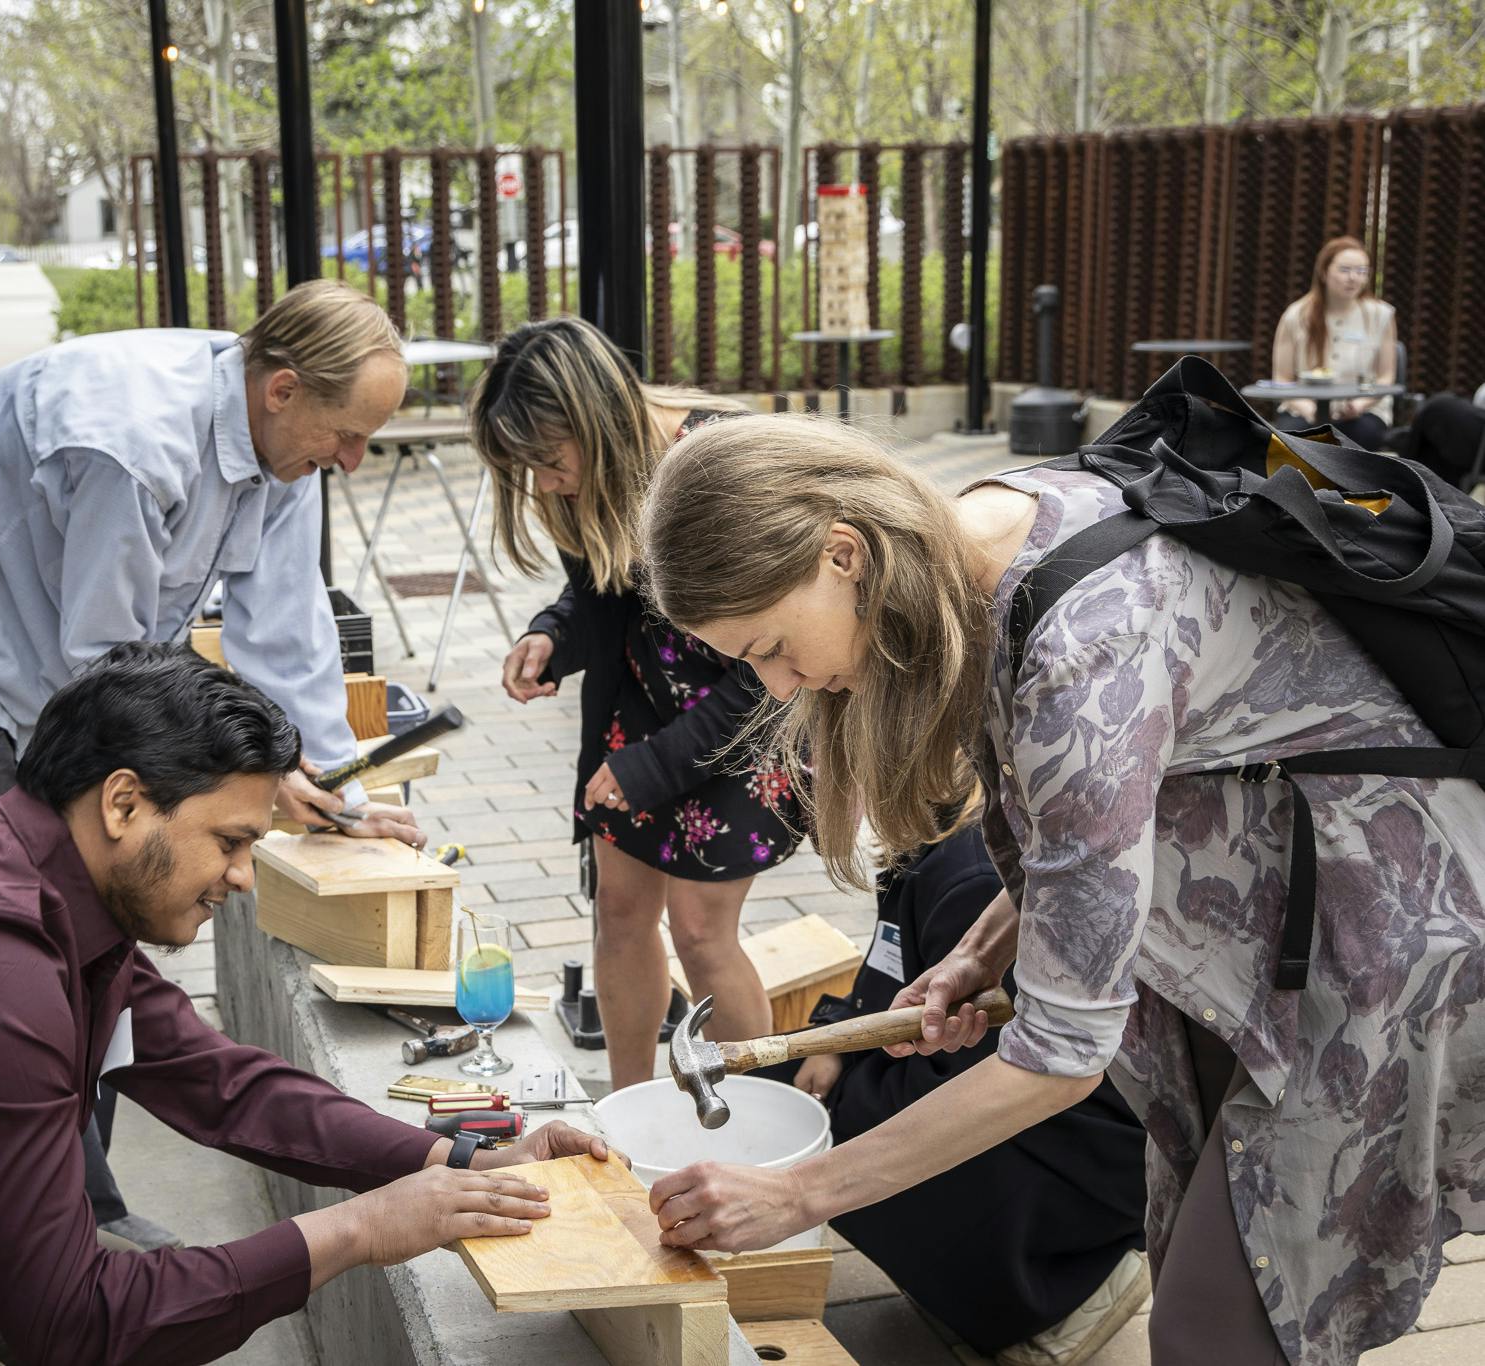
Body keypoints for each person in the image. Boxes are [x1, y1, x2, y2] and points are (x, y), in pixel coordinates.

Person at [633, 414, 1485, 1365]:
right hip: (1253, 908)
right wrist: (979, 950)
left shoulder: (1085, 647)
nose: (782, 688)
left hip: (1379, 937)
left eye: (768, 646)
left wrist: (796, 1194)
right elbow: (1093, 827)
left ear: (841, 553)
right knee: (1221, 1280)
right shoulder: (981, 528)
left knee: (1218, 1325)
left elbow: (1060, 1059)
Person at [0, 644, 611, 1366]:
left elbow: (217, 1081)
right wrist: (359, 1230)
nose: (243, 879)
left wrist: (464, 1155)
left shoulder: (32, 868)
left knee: (170, 1295)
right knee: (127, 1317)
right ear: (124, 804)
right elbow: (72, 1323)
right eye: (232, 842)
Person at [0, 277, 425, 1247]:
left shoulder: (282, 449)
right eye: (347, 434)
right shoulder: (130, 444)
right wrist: (232, 783)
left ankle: (74, 1205)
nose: (355, 460)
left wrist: (331, 789)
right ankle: (66, 1229)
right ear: (282, 388)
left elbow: (287, 634)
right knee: (27, 916)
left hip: (63, 639)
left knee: (98, 925)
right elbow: (105, 669)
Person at [468, 318, 804, 1089]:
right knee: (618, 913)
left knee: (699, 931)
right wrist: (553, 636)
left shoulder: (721, 463)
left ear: (594, 417)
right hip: (648, 706)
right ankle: (629, 1112)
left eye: (552, 461)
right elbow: (607, 597)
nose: (548, 483)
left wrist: (655, 764)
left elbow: (775, 663)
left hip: (750, 715)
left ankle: (748, 1127)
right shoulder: (593, 478)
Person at [779, 821, 1149, 1366]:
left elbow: (1002, 1080)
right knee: (821, 1116)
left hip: (1076, 1142)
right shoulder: (927, 856)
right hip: (1026, 1093)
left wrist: (808, 1181)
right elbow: (893, 970)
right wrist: (837, 1033)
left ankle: (1069, 1292)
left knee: (846, 1146)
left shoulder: (971, 878)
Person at [1269, 234, 1396, 447]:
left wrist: (1359, 405)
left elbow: (1386, 377)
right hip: (1303, 409)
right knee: (1287, 439)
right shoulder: (1296, 314)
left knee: (1360, 436)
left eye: (1361, 271)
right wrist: (1308, 408)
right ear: (1324, 272)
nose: (1353, 278)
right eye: (1345, 270)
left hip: (1362, 411)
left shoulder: (1381, 315)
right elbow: (1282, 378)